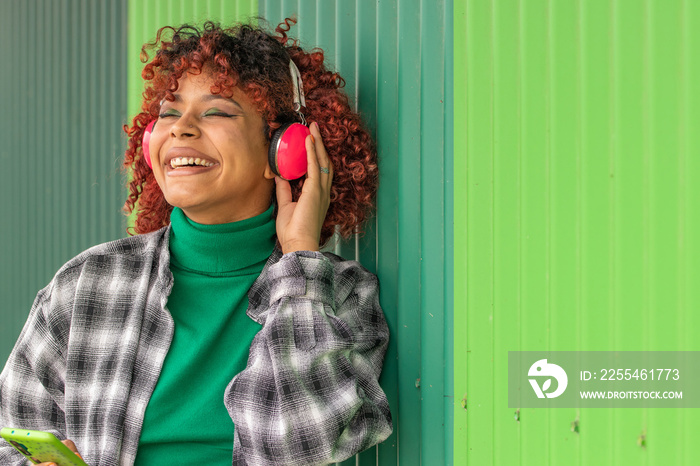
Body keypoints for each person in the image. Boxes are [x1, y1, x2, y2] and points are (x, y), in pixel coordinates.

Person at [0, 19, 392, 466]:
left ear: (283, 150)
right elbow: (10, 438)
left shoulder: (338, 295)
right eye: (170, 112)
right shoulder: (88, 285)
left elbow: (297, 446)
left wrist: (300, 257)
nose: (180, 129)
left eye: (217, 111)